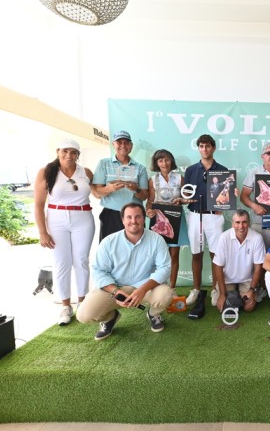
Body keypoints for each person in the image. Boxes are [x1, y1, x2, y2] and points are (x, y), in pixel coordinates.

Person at [76, 203, 173, 340]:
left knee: (165, 294)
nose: (133, 221)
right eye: (129, 217)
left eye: (138, 216)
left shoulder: (157, 239)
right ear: (123, 220)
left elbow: (165, 268)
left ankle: (153, 314)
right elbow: (99, 271)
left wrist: (142, 290)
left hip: (145, 288)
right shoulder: (108, 242)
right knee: (83, 315)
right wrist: (115, 291)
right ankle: (110, 318)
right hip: (116, 289)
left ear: (144, 218)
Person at [34, 139, 95, 326]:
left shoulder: (85, 172)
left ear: (78, 154)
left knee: (82, 261)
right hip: (57, 220)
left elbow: (98, 192)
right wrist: (43, 232)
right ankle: (66, 306)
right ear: (58, 151)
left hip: (83, 219)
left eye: (73, 152)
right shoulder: (46, 172)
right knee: (62, 262)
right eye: (65, 151)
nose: (69, 155)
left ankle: (83, 303)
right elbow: (38, 204)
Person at [183, 134, 230, 317]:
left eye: (208, 146)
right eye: (201, 146)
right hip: (195, 215)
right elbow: (186, 193)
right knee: (196, 253)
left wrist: (229, 197)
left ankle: (215, 288)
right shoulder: (191, 170)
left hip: (214, 216)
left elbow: (226, 195)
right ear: (198, 148)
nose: (205, 149)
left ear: (213, 148)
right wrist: (183, 198)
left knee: (215, 254)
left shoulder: (223, 170)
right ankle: (196, 289)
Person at [91, 130, 149, 241]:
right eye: (119, 142)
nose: (123, 145)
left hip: (134, 215)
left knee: (136, 249)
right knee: (109, 250)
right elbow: (97, 191)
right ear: (113, 144)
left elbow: (144, 196)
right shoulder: (104, 163)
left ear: (131, 146)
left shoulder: (140, 168)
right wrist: (111, 188)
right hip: (111, 214)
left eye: (126, 142)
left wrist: (136, 189)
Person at [145, 149, 189, 289]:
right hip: (158, 220)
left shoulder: (179, 178)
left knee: (174, 255)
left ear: (172, 161)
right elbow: (150, 200)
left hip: (176, 219)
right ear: (157, 163)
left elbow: (187, 198)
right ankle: (158, 287)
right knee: (158, 255)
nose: (164, 163)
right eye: (161, 160)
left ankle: (172, 288)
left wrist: (182, 200)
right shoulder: (152, 180)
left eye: (167, 160)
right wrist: (148, 211)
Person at [211, 209, 265, 313]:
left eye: (244, 222)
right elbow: (218, 266)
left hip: (247, 279)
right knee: (221, 306)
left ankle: (254, 292)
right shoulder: (224, 237)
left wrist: (251, 290)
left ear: (249, 223)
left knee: (249, 308)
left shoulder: (257, 238)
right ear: (232, 223)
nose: (241, 226)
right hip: (227, 279)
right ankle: (219, 292)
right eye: (237, 222)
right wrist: (222, 294)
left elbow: (258, 268)